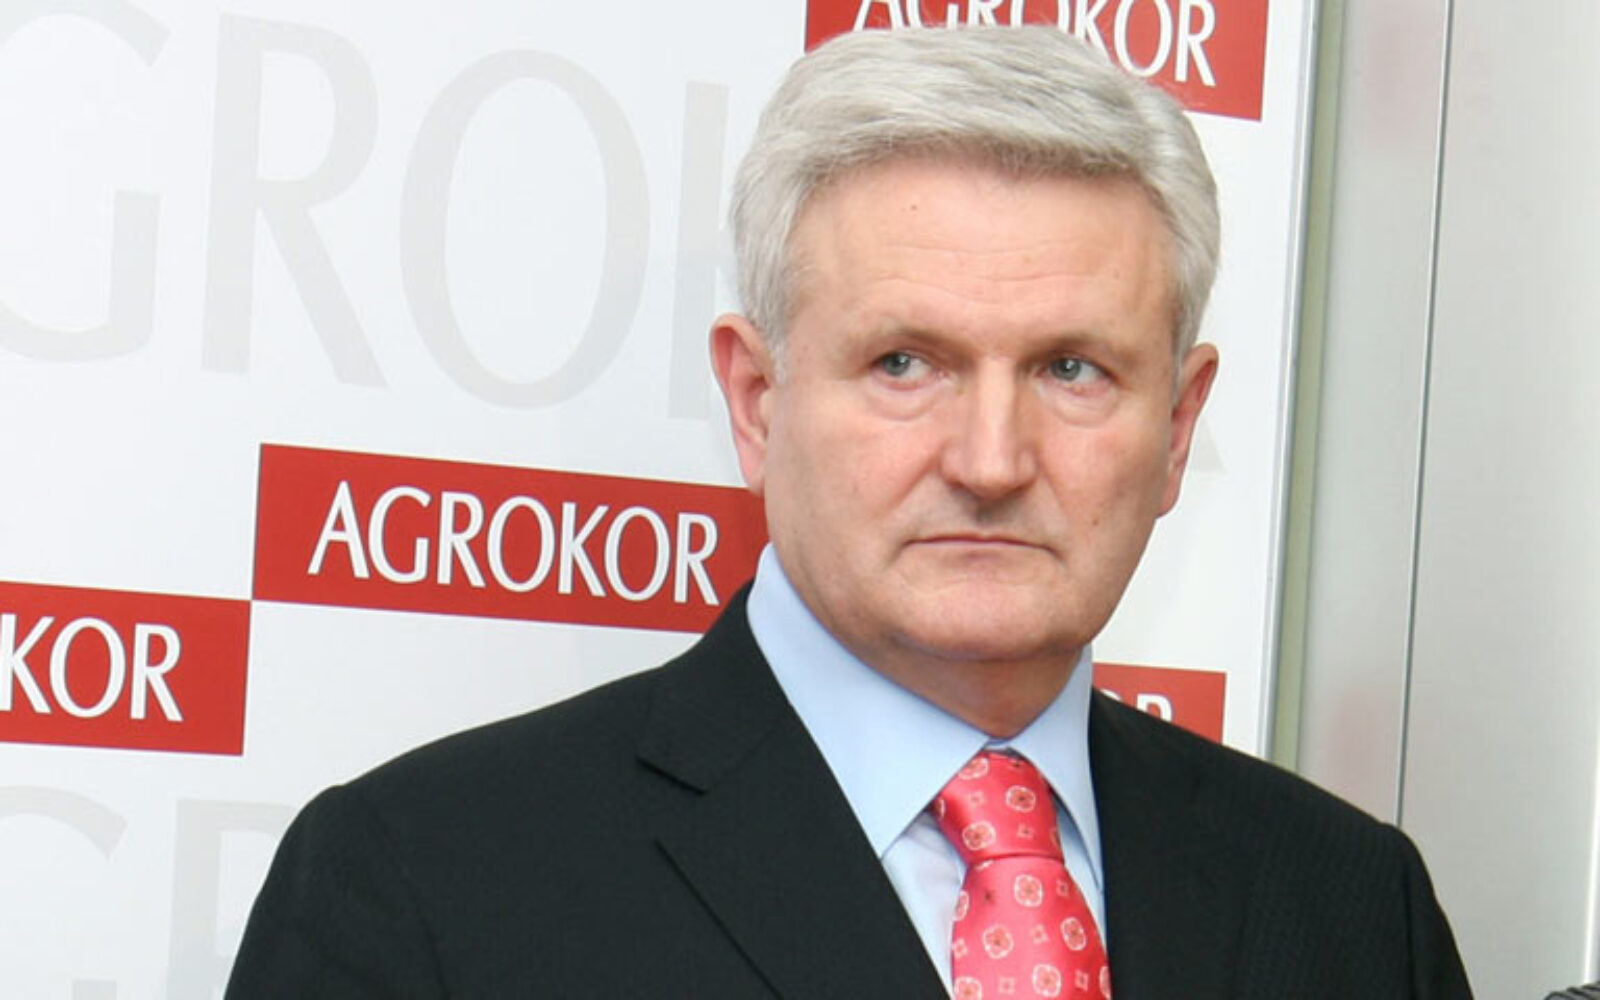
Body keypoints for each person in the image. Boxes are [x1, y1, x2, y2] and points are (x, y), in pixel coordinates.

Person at [227, 25, 1473, 999]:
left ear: (1178, 427)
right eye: (903, 364)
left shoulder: (1349, 904)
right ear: (756, 400)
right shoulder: (427, 882)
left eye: (1072, 369)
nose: (991, 459)